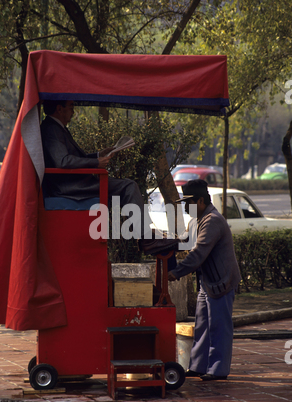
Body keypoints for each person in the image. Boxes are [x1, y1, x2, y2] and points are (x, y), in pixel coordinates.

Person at [40, 100, 178, 255]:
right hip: (70, 186)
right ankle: (146, 238)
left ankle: (144, 234)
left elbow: (73, 158)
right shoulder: (52, 129)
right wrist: (96, 162)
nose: (73, 112)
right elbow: (63, 161)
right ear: (59, 108)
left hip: (74, 181)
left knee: (126, 189)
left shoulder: (58, 128)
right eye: (71, 107)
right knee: (128, 186)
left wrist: (99, 155)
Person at [168, 180, 241, 381]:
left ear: (200, 200)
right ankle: (199, 366)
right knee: (202, 325)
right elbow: (183, 241)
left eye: (188, 203)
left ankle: (218, 370)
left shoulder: (212, 221)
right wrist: (162, 240)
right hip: (207, 282)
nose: (185, 207)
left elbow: (198, 253)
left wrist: (176, 272)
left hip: (222, 282)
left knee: (219, 327)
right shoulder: (197, 220)